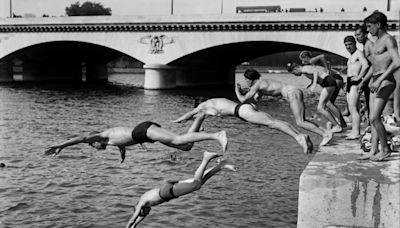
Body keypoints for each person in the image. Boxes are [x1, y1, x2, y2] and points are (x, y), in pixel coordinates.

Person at [44, 115, 228, 163]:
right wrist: (122, 155)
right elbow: (121, 144)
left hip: (143, 131)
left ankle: (216, 135)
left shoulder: (101, 135)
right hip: (144, 134)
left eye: (93, 146)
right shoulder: (110, 140)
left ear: (95, 141)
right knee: (186, 146)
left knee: (179, 140)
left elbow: (81, 138)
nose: (95, 148)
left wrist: (61, 146)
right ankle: (199, 119)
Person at [125, 151, 237, 228]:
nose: (146, 213)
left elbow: (132, 220)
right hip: (168, 186)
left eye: (143, 213)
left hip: (167, 192)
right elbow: (135, 222)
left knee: (196, 184)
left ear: (138, 210)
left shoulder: (142, 203)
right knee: (198, 182)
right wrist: (134, 225)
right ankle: (221, 166)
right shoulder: (144, 205)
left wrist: (129, 225)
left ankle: (206, 158)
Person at [173, 98, 313, 154]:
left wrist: (176, 120)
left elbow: (189, 114)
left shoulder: (203, 106)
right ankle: (300, 135)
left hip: (242, 112)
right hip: (244, 108)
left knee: (272, 123)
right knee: (274, 122)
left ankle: (298, 137)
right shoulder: (213, 101)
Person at [235, 69, 333, 146]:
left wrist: (236, 90)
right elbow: (255, 100)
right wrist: (246, 92)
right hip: (294, 91)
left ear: (249, 79)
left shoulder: (256, 85)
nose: (246, 82)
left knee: (300, 122)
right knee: (303, 120)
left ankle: (325, 135)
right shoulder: (261, 82)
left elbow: (243, 100)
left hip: (291, 93)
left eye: (246, 80)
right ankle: (326, 131)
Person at [358, 11, 400, 161]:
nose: (368, 30)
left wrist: (379, 79)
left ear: (378, 24)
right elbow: (374, 65)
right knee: (372, 118)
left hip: (386, 81)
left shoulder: (389, 40)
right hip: (375, 81)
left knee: (375, 117)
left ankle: (385, 149)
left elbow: (397, 62)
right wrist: (367, 81)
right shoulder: (376, 42)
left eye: (370, 26)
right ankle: (373, 150)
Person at [287, 63, 347, 133]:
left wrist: (314, 84)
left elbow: (316, 72)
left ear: (295, 69)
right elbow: (316, 72)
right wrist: (311, 84)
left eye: (294, 73)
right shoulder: (306, 68)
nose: (296, 75)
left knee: (320, 107)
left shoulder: (304, 69)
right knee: (325, 105)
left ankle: (337, 126)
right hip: (329, 82)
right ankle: (339, 124)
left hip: (328, 83)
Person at [343, 35, 369, 139]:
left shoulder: (358, 53)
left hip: (355, 82)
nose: (348, 47)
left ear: (354, 44)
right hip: (350, 82)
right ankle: (354, 130)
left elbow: (366, 65)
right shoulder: (351, 55)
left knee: (353, 108)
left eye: (350, 44)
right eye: (346, 45)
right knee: (353, 108)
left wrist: (359, 77)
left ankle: (356, 132)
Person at [354, 24, 374, 120]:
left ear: (366, 34)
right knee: (369, 105)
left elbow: (374, 65)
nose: (357, 37)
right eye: (355, 36)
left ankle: (373, 130)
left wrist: (363, 81)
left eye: (359, 34)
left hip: (372, 80)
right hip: (368, 80)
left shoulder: (369, 46)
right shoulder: (365, 46)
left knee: (372, 106)